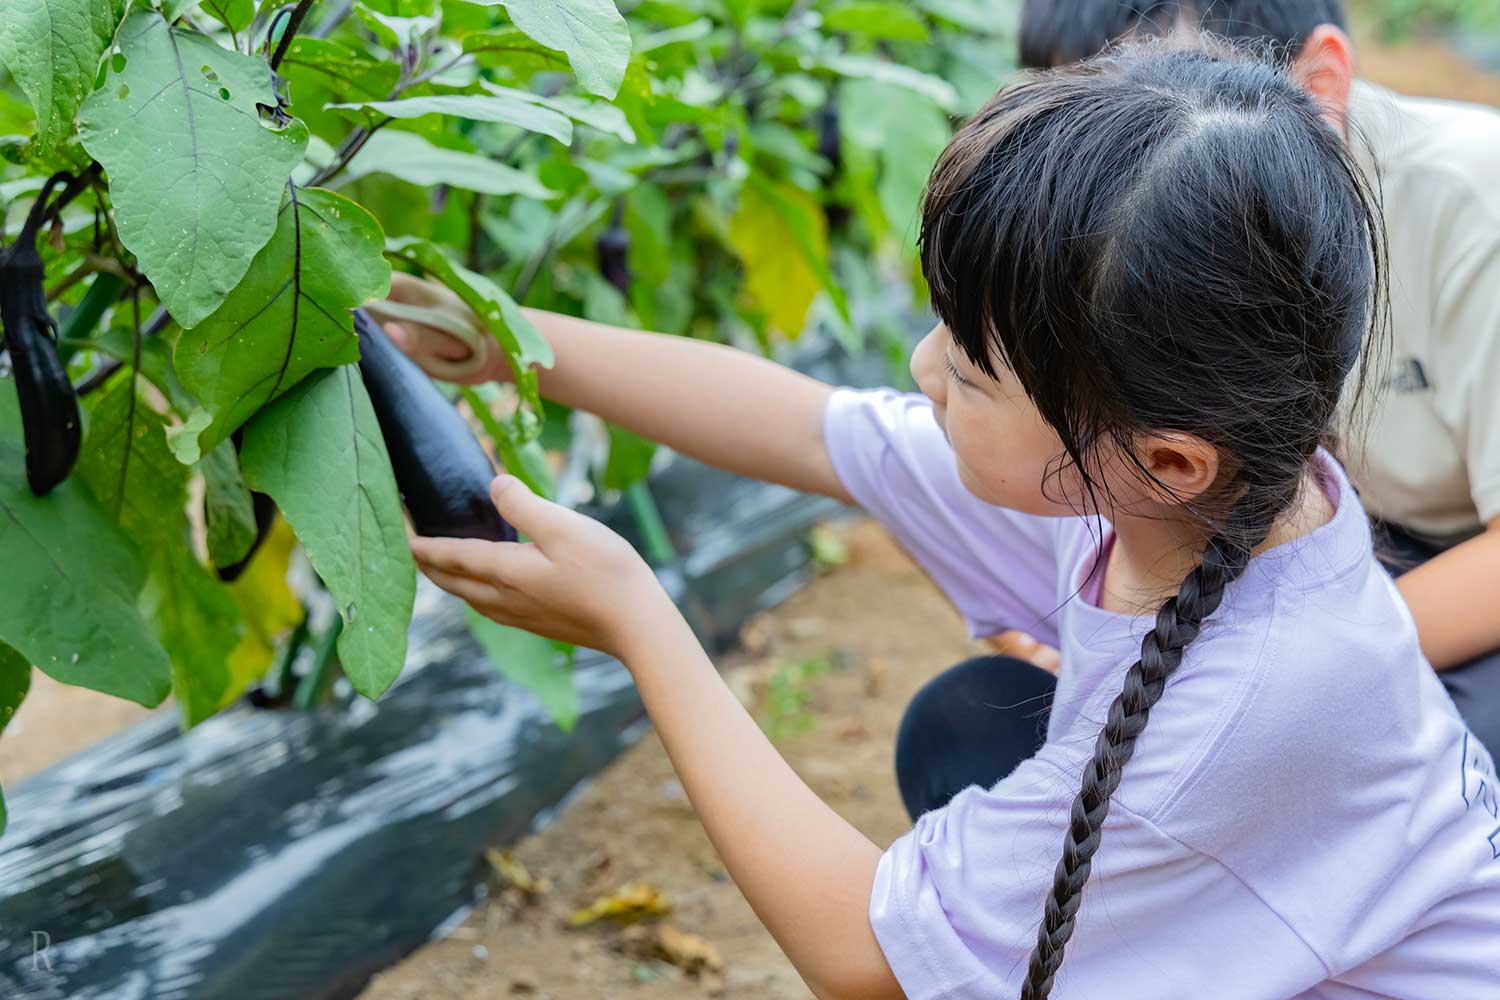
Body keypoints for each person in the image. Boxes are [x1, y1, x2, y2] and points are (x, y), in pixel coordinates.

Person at [380, 46, 1500, 998]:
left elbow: (864, 956)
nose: (922, 370)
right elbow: (812, 430)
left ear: (1161, 458)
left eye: (968, 370)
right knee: (966, 728)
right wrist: (511, 338)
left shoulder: (1241, 711)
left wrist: (638, 620)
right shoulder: (1204, 491)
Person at [1011, 0, 1500, 759]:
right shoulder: (1148, 229)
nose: (1110, 184)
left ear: (1322, 79)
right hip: (1349, 536)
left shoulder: (1475, 207)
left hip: (1459, 553)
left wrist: (1280, 675)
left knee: (1422, 749)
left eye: (1152, 121)